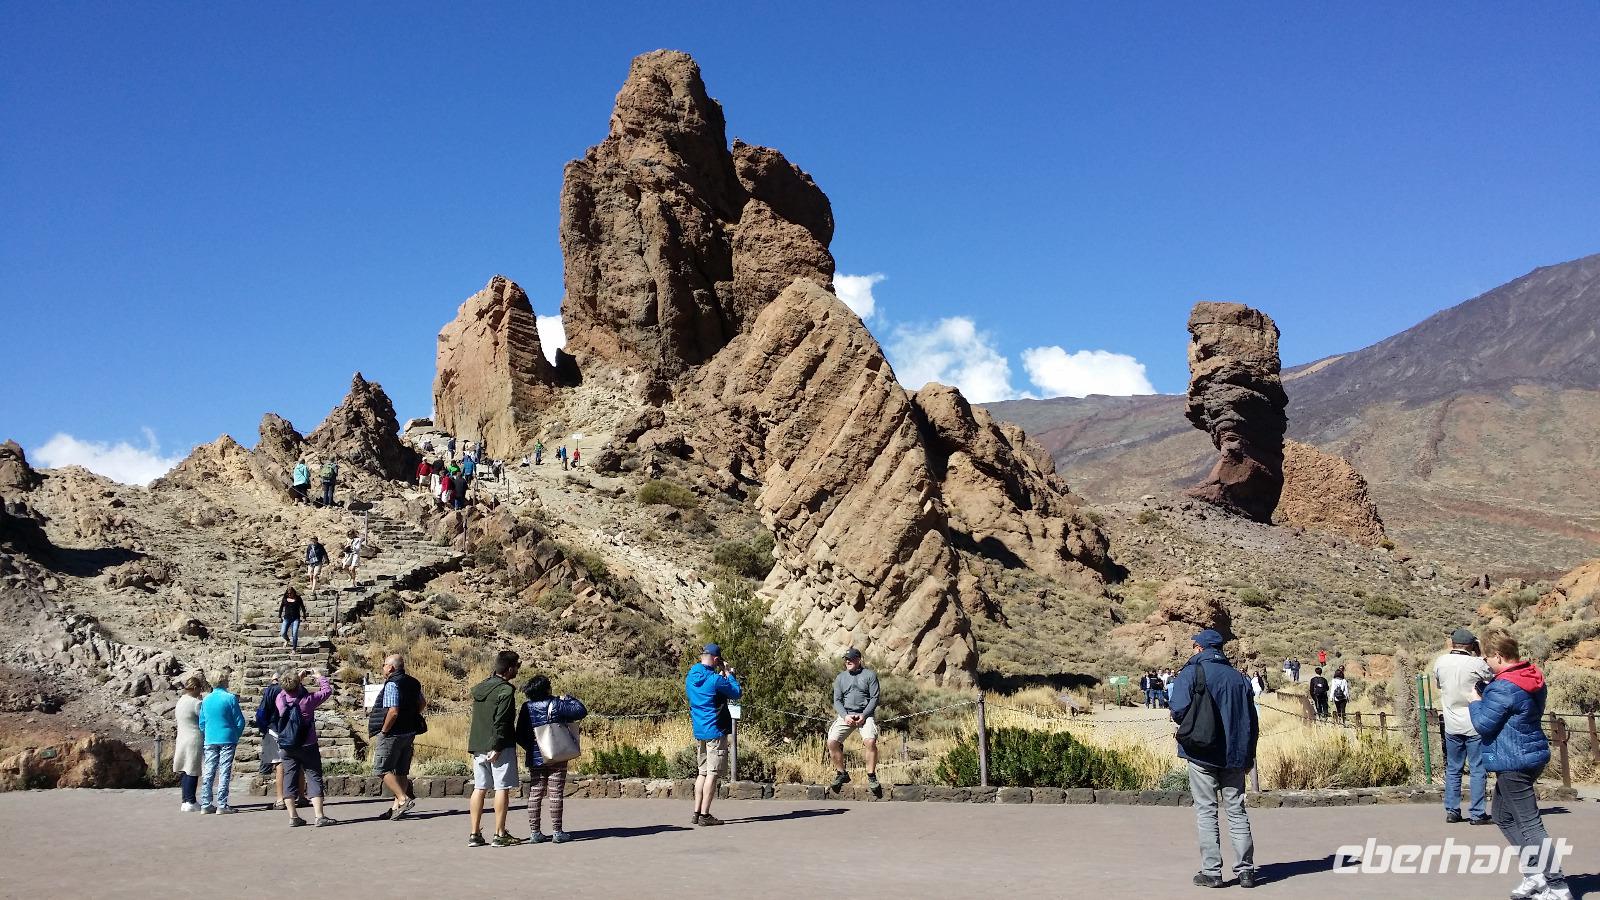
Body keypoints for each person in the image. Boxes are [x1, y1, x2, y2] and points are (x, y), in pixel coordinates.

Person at [1470, 629, 1572, 900]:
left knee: (1530, 824)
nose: (1486, 663)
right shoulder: (1530, 675)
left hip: (1514, 759)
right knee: (1503, 816)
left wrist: (1475, 701)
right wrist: (1487, 694)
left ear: (1499, 656)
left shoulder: (1503, 686)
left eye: (1488, 658)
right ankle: (1535, 873)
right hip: (1528, 752)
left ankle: (1558, 886)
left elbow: (1483, 724)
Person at [1169, 630, 1258, 889]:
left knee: (1206, 811)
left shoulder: (1192, 673)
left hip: (1201, 753)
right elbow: (1252, 721)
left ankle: (1212, 872)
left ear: (1200, 648)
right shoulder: (1239, 678)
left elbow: (1177, 709)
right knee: (1237, 811)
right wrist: (1249, 753)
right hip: (1235, 755)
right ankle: (1246, 871)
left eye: (1194, 645)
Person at [514, 675, 588, 843]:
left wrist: (532, 748)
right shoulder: (556, 703)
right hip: (557, 754)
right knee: (555, 793)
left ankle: (535, 833)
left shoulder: (526, 707)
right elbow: (580, 710)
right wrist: (568, 698)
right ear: (546, 688)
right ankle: (557, 832)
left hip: (535, 756)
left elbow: (519, 734)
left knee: (535, 793)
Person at [1437, 627, 1494, 825]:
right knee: (1478, 768)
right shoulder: (1475, 663)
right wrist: (1479, 654)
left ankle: (1452, 811)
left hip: (1451, 723)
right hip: (1474, 722)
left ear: (1453, 643)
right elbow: (1491, 677)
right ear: (1471, 645)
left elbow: (1439, 685)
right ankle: (1477, 813)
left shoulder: (1441, 662)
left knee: (1453, 769)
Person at [467, 650, 523, 847]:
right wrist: (498, 745)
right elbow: (502, 721)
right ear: (509, 669)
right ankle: (499, 833)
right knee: (501, 788)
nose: (518, 669)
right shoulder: (506, 691)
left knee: (480, 787)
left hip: (478, 744)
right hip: (499, 745)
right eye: (517, 665)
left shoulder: (482, 687)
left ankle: (474, 833)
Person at [685, 643, 742, 827]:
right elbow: (736, 692)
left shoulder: (691, 676)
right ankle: (705, 814)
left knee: (701, 772)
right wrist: (729, 674)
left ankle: (696, 812)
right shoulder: (716, 680)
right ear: (716, 660)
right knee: (712, 773)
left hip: (700, 730)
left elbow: (709, 689)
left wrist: (720, 675)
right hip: (715, 730)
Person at [276, 668, 338, 827]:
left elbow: (286, 691)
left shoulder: (280, 699)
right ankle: (319, 816)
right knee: (314, 776)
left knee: (289, 778)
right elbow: (326, 691)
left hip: (287, 745)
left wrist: (297, 679)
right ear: (297, 684)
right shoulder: (308, 701)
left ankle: (293, 817)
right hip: (308, 743)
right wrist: (319, 677)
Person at [369, 653, 426, 821]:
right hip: (409, 732)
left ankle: (403, 799)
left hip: (392, 733)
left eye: (384, 665)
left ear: (391, 667)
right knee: (400, 770)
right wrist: (411, 715)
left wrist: (385, 730)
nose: (383, 668)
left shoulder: (392, 684)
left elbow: (393, 711)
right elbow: (422, 703)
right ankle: (396, 808)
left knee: (380, 768)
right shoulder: (413, 682)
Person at [827, 648, 882, 795]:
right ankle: (841, 774)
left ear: (859, 660)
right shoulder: (840, 677)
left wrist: (864, 715)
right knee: (832, 742)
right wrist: (845, 716)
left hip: (865, 715)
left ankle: (871, 776)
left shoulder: (870, 675)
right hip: (846, 715)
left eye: (851, 658)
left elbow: (874, 698)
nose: (847, 661)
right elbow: (837, 700)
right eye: (846, 659)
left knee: (870, 742)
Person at [196, 670, 245, 815]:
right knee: (224, 771)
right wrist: (236, 734)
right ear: (224, 681)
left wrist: (207, 732)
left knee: (209, 770)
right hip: (227, 737)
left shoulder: (206, 700)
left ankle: (206, 803)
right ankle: (222, 804)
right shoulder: (230, 698)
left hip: (210, 738)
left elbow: (202, 722)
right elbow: (240, 721)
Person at [173, 674, 205, 812]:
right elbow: (203, 719)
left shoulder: (180, 701)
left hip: (181, 738)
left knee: (184, 770)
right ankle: (191, 800)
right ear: (196, 688)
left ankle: (185, 800)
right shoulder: (196, 703)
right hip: (194, 738)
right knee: (192, 769)